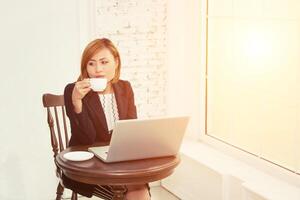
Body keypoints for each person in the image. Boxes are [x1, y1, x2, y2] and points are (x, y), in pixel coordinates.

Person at [63, 38, 150, 200]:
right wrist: (77, 101)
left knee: (140, 191)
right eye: (91, 63)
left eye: (104, 62)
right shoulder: (72, 90)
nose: (98, 69)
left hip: (119, 158)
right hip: (89, 163)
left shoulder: (125, 87)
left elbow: (131, 129)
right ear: (85, 67)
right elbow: (85, 139)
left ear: (116, 62)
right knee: (132, 194)